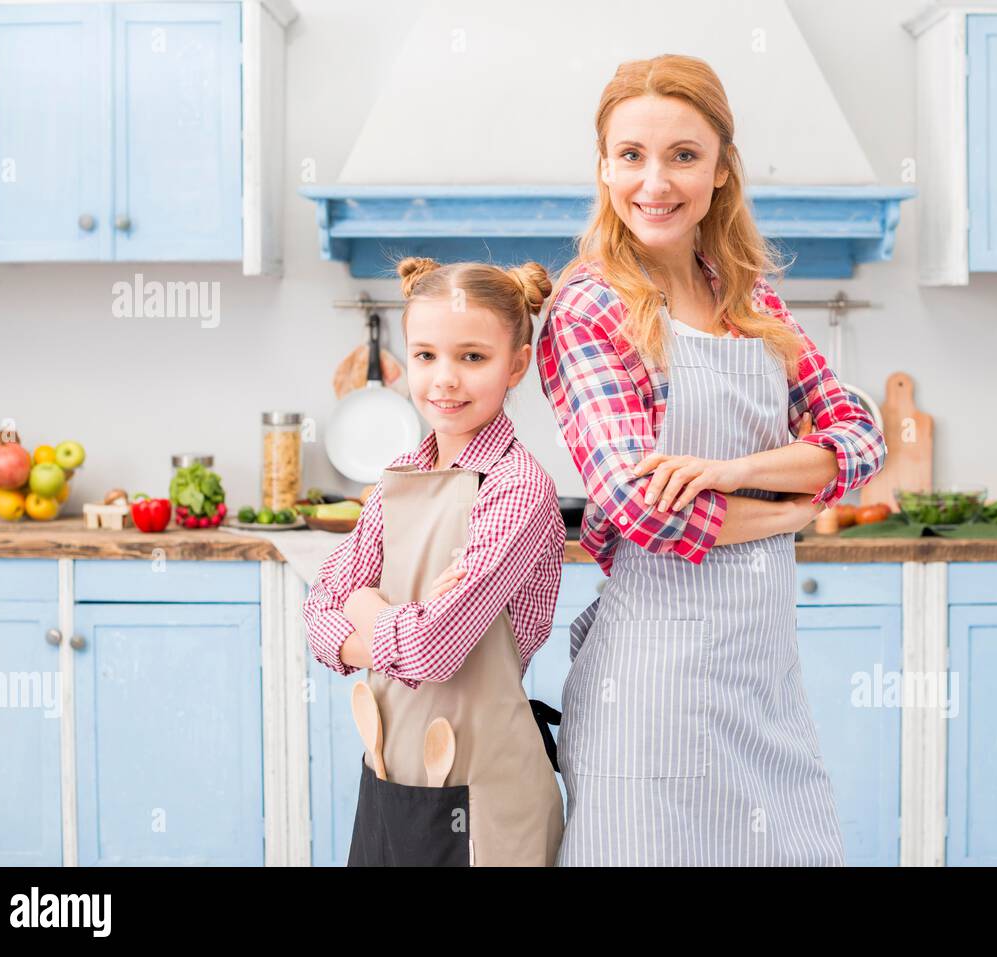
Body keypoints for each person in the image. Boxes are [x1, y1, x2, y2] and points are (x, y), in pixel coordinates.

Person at [536, 54, 887, 866]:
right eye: (631, 155)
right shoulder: (590, 306)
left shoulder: (748, 296)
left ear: (723, 169)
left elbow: (861, 437)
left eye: (683, 155)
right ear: (604, 166)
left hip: (764, 679)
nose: (654, 182)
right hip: (653, 688)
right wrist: (797, 504)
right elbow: (640, 510)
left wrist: (730, 474)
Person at [303, 257, 566, 866]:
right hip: (395, 779)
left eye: (472, 357)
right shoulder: (402, 479)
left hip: (486, 799)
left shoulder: (516, 489)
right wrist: (398, 619)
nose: (444, 379)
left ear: (516, 365)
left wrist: (363, 604)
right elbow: (317, 607)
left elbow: (433, 653)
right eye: (425, 356)